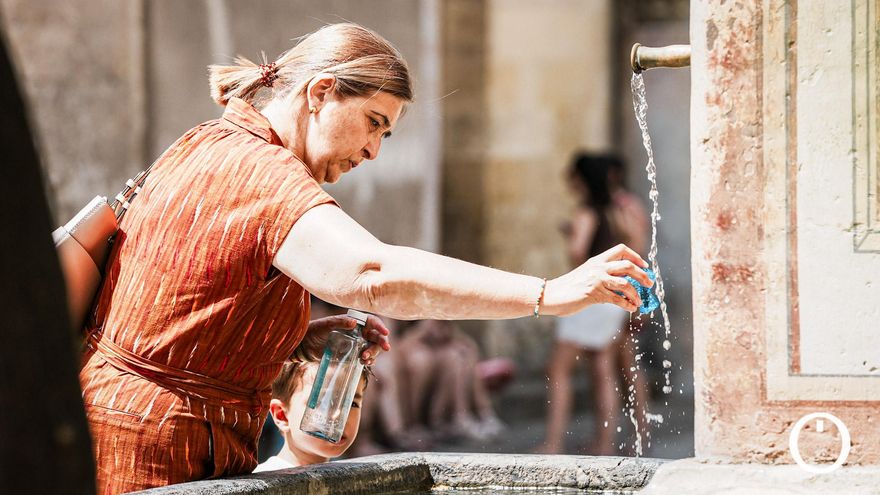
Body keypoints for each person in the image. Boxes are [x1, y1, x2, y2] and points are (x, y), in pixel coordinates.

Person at [78, 23, 651, 493]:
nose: (373, 150)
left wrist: (288, 338)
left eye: (387, 135)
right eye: (373, 123)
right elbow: (369, 274)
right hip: (151, 449)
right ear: (320, 93)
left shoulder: (209, 140)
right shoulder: (261, 171)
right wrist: (548, 293)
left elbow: (181, 312)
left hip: (136, 428)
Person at [538, 153, 647, 455]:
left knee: (559, 369)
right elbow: (636, 245)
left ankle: (553, 443)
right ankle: (605, 444)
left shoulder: (586, 212)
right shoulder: (618, 210)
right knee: (604, 369)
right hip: (614, 296)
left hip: (591, 296)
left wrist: (573, 236)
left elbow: (578, 252)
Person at [254, 358, 368, 472]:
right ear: (282, 415)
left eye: (352, 404)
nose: (339, 415)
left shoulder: (351, 476)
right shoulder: (265, 478)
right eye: (322, 403)